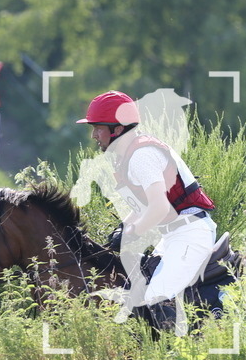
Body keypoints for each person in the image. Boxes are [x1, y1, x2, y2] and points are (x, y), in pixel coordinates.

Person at [71, 90, 216, 333]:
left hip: (190, 232)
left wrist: (133, 233)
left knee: (158, 297)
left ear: (117, 129)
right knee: (136, 288)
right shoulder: (128, 154)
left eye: (98, 128)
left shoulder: (141, 156)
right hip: (173, 235)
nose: (94, 135)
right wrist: (122, 227)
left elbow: (159, 207)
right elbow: (146, 207)